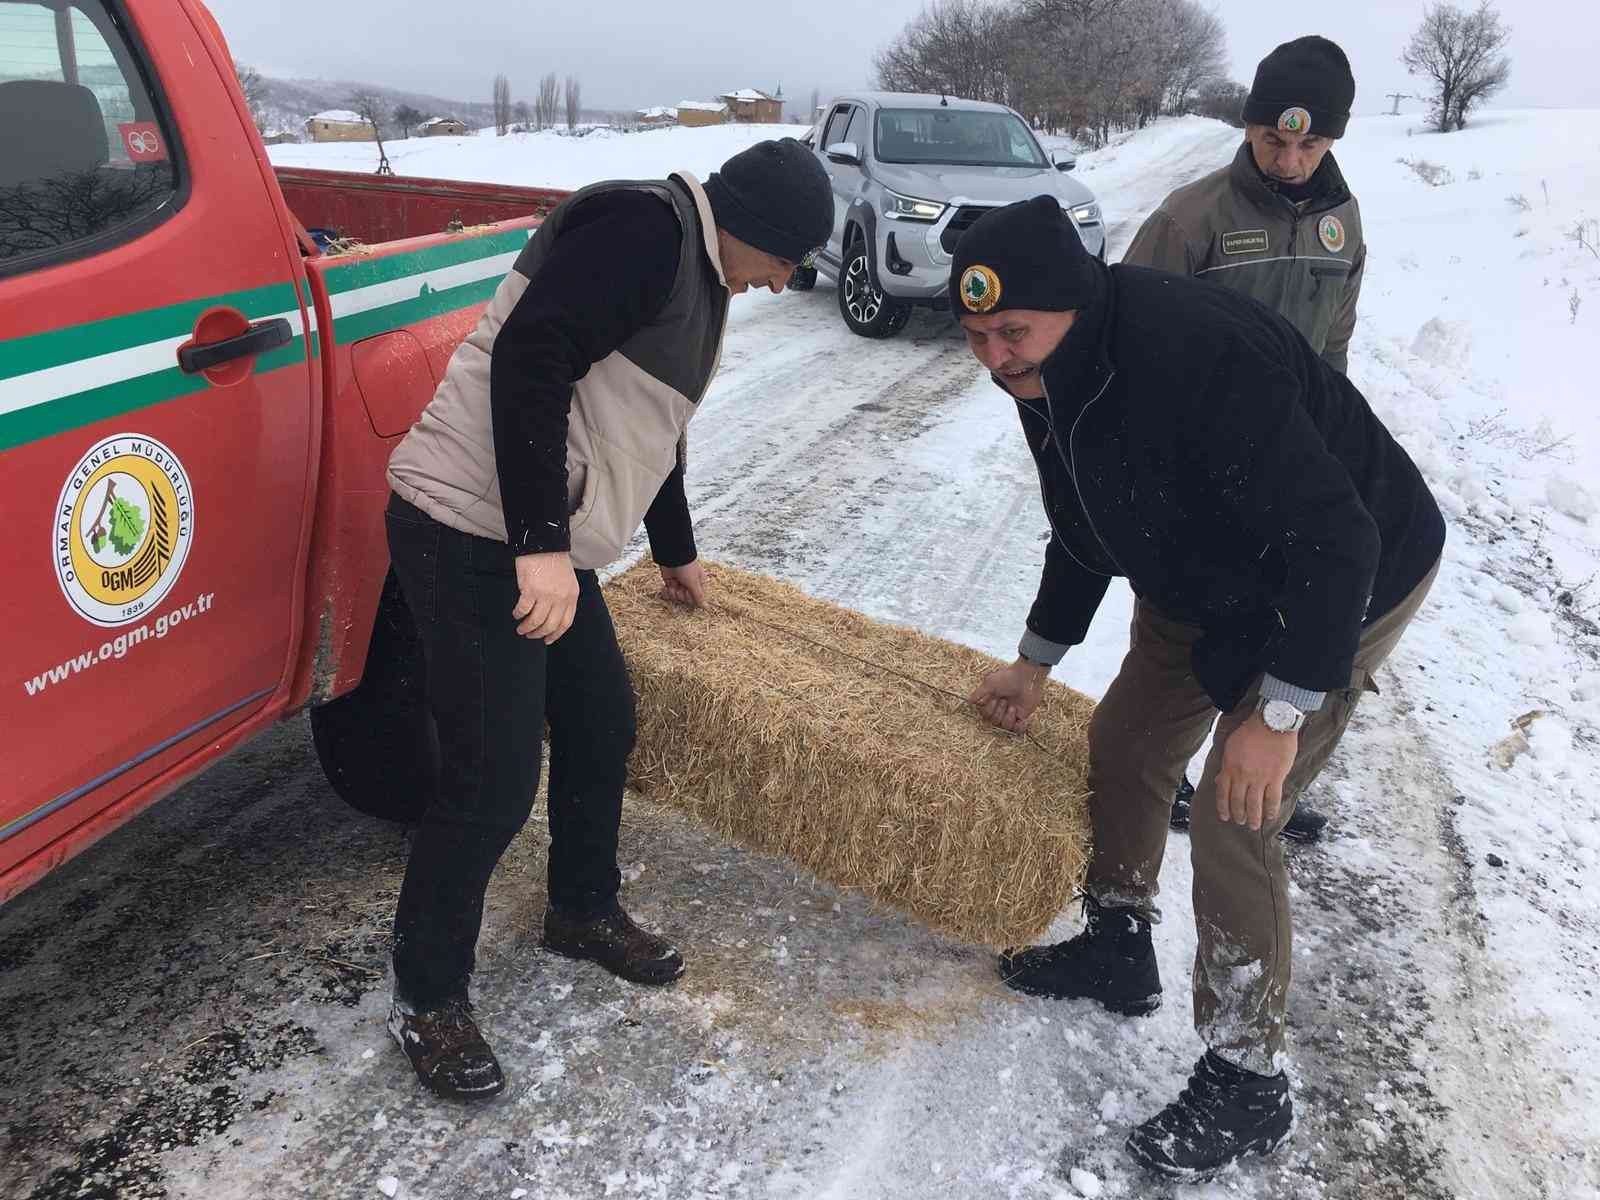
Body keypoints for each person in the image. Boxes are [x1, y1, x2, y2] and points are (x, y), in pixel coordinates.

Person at [954, 195, 1444, 1179]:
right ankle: (1118, 939)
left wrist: (1278, 709)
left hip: (1345, 571)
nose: (997, 358)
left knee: (1235, 810)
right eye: (976, 337)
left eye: (1013, 332)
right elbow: (1084, 522)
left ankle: (1247, 1076)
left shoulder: (1191, 358)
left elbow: (1335, 537)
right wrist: (1034, 662)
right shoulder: (1045, 380)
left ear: (1077, 306)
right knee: (1128, 744)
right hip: (1203, 568)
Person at [380, 140, 833, 1100]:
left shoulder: (699, 271)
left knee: (601, 721)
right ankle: (426, 997)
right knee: (494, 776)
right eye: (789, 263)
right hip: (469, 526)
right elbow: (531, 357)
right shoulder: (643, 231)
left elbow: (652, 426)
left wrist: (674, 549)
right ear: (756, 231)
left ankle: (580, 911)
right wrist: (538, 543)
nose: (784, 283)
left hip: (541, 541)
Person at [1124, 34, 1366, 842]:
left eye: (1310, 143)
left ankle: (1253, 775)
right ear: (1250, 126)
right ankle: (1164, 774)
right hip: (1199, 476)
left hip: (1291, 467)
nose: (1291, 159)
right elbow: (1128, 345)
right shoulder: (1190, 218)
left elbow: (1335, 344)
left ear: (1333, 139)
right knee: (1183, 644)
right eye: (1273, 139)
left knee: (1277, 628)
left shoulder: (1342, 220)